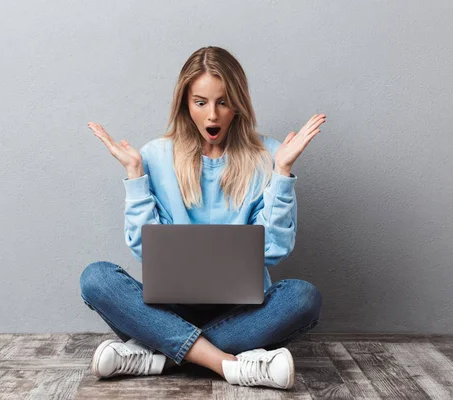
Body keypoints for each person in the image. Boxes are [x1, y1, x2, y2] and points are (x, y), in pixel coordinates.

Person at [80, 46, 326, 390]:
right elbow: (145, 250)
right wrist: (135, 175)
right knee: (96, 279)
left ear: (238, 103)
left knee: (304, 297)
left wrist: (282, 172)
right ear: (185, 104)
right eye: (201, 102)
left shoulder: (268, 155)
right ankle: (227, 363)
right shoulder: (155, 156)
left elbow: (275, 249)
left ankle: (160, 355)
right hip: (168, 311)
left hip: (242, 315)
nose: (212, 115)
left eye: (223, 102)